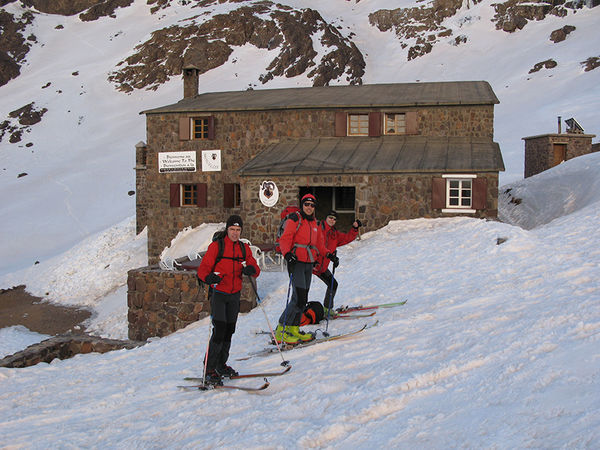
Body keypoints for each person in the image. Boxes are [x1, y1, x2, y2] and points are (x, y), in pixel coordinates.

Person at [197, 215, 260, 385]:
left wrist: (251, 269)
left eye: (238, 230)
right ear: (227, 230)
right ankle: (209, 368)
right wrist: (209, 278)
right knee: (219, 331)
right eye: (232, 229)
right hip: (219, 293)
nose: (235, 233)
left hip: (234, 294)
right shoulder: (217, 247)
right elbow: (202, 270)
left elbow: (255, 269)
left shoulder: (244, 248)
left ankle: (220, 364)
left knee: (229, 330)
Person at [276, 193, 333, 344]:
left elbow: (319, 244)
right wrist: (287, 254)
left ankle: (294, 328)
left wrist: (329, 255)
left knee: (303, 298)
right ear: (302, 205)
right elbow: (285, 238)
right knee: (298, 297)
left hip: (309, 262)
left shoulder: (315, 223)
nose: (309, 207)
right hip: (296, 262)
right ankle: (281, 328)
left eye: (312, 205)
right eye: (306, 204)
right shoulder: (295, 219)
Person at [313, 210, 362, 316]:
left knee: (333, 284)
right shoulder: (318, 229)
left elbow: (347, 238)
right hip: (311, 265)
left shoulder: (334, 234)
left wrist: (354, 228)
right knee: (302, 291)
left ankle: (327, 309)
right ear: (326, 218)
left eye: (334, 219)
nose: (332, 220)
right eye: (330, 217)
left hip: (322, 268)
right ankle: (299, 314)